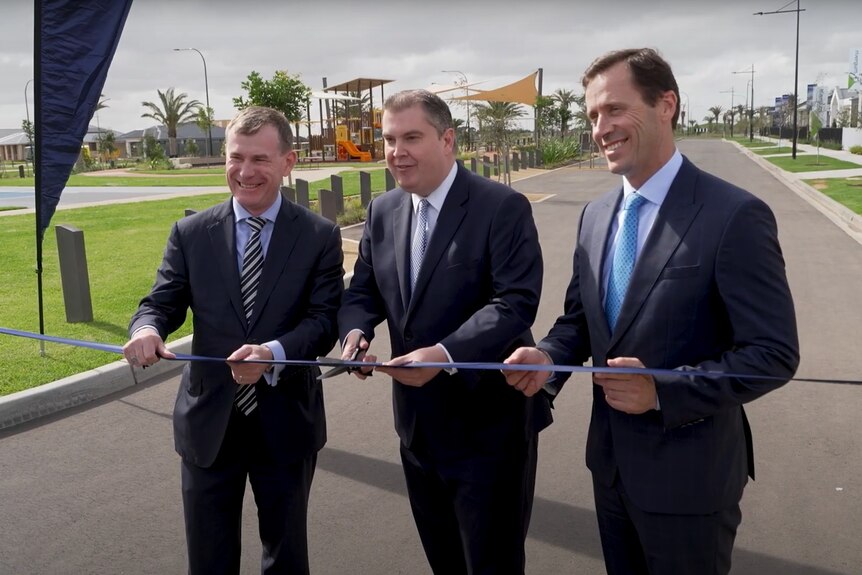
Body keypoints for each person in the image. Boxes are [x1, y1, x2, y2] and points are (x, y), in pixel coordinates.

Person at [503, 48, 799, 575]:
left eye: (615, 109)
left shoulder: (734, 216)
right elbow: (580, 321)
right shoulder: (596, 217)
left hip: (691, 482)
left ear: (666, 104)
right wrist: (547, 356)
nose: (601, 127)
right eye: (593, 115)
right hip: (612, 469)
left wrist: (663, 390)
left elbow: (772, 354)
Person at [337, 89, 552, 574]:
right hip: (416, 429)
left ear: (448, 139)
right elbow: (362, 294)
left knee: (490, 564)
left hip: (488, 430)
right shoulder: (382, 211)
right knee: (445, 561)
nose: (397, 151)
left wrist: (445, 352)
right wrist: (355, 334)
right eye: (389, 139)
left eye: (412, 137)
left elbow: (515, 303)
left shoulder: (502, 207)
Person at [122, 106, 343, 575]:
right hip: (208, 424)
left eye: (260, 159)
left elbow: (324, 322)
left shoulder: (319, 237)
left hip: (286, 424)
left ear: (288, 162)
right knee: (208, 559)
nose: (245, 172)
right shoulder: (190, 233)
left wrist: (273, 354)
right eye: (236, 158)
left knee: (285, 558)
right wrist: (146, 329)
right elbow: (160, 302)